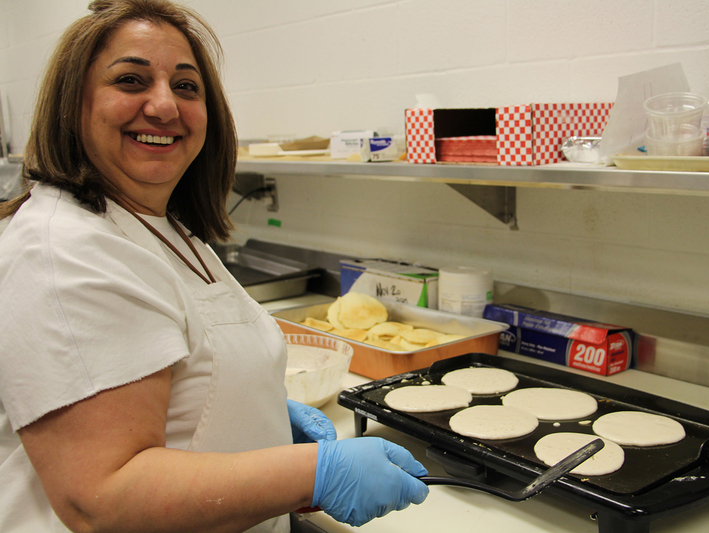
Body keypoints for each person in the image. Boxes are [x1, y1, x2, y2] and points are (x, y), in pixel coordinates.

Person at [0, 1, 428, 532]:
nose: (163, 106)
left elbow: (188, 376)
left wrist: (259, 419)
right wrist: (311, 473)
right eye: (131, 80)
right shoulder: (63, 252)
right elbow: (103, 499)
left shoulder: (161, 225)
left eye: (186, 86)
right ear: (73, 104)